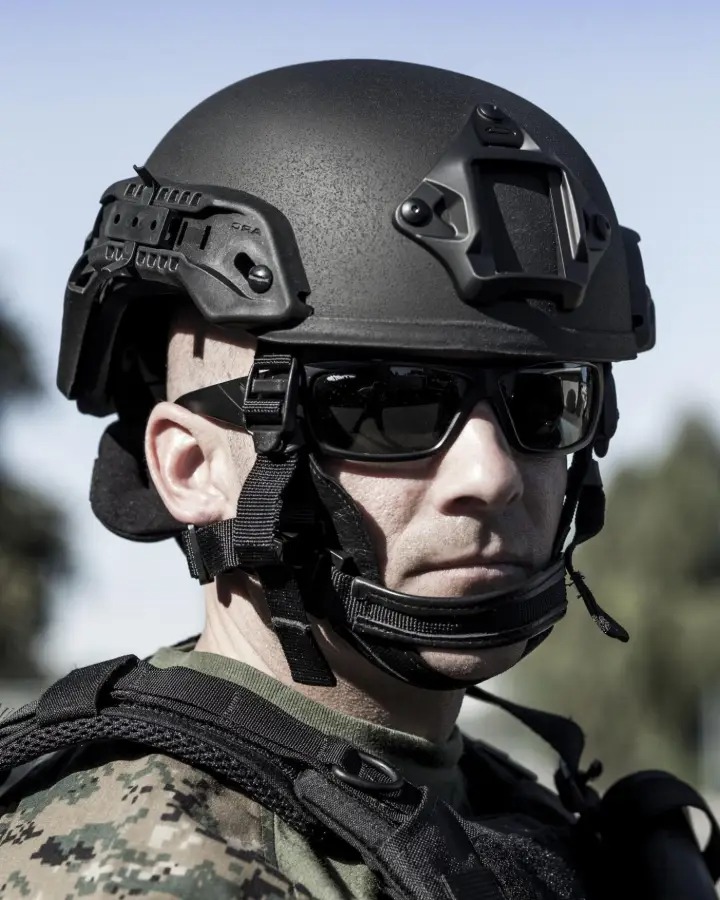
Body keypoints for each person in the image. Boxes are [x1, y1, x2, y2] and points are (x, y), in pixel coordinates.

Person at [0, 59, 715, 900]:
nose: (492, 475)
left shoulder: (500, 812)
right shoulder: (148, 858)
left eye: (542, 404)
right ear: (191, 468)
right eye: (387, 407)